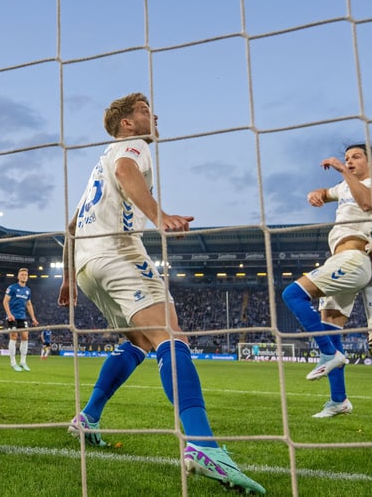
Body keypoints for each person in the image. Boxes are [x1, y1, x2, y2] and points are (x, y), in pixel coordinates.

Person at [59, 92, 264, 495]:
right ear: (127, 124)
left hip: (87, 266)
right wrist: (160, 216)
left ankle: (88, 418)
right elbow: (126, 170)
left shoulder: (97, 167)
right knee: (170, 336)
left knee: (139, 342)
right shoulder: (131, 147)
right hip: (119, 252)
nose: (154, 117)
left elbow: (70, 227)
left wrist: (68, 277)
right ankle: (204, 446)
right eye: (144, 111)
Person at [282, 143, 372, 419]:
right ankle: (339, 401)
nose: (349, 161)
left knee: (292, 294)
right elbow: (326, 193)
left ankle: (329, 355)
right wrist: (315, 194)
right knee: (330, 326)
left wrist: (341, 169)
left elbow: (367, 204)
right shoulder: (343, 187)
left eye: (356, 157)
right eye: (346, 158)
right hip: (340, 260)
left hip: (353, 259)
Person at [4, 268, 39, 371]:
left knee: (25, 337)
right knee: (13, 337)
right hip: (12, 317)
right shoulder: (12, 288)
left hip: (22, 317)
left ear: (27, 277)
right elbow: (5, 301)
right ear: (18, 276)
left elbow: (29, 304)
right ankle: (13, 362)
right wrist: (9, 314)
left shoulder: (28, 290)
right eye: (22, 274)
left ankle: (23, 362)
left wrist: (33, 318)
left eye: (25, 275)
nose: (24, 276)